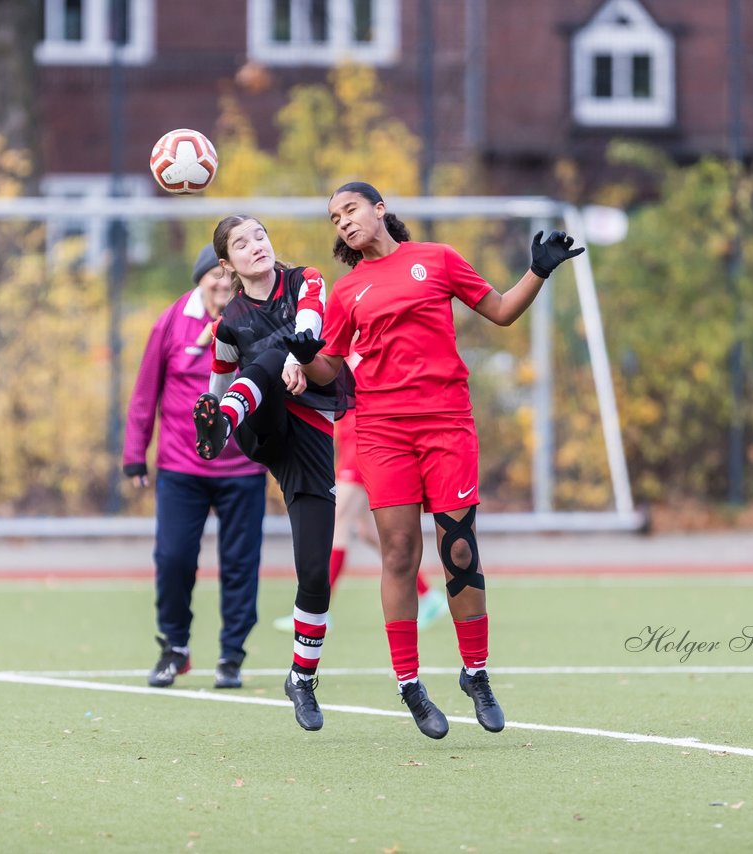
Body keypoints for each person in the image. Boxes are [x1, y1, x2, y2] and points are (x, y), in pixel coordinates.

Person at [285, 181, 584, 740]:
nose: (343, 222)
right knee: (399, 551)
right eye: (334, 218)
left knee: (460, 548)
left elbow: (500, 312)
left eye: (350, 210)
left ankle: (476, 674)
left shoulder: (437, 260)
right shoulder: (347, 292)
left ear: (379, 209)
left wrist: (539, 271)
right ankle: (410, 684)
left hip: (447, 423)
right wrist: (308, 357)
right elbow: (328, 369)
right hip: (381, 430)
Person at [192, 214, 354, 732]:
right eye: (241, 243)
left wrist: (295, 360)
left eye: (259, 235)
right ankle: (228, 427)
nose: (255, 246)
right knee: (258, 370)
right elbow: (214, 393)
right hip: (259, 424)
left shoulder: (306, 279)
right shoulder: (228, 324)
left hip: (308, 436)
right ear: (228, 263)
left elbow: (309, 329)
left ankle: (302, 679)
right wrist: (217, 419)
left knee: (314, 572)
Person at [122, 244, 269, 692]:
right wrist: (135, 455)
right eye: (215, 276)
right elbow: (146, 392)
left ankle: (232, 656)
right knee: (173, 558)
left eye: (230, 277)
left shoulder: (253, 319)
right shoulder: (170, 322)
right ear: (200, 278)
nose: (223, 284)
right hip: (181, 468)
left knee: (241, 565)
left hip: (242, 467)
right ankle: (175, 647)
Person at [271, 353, 448, 633]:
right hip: (351, 440)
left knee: (338, 523)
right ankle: (429, 595)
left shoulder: (367, 345)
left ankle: (318, 609)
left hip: (362, 441)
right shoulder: (340, 344)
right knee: (366, 530)